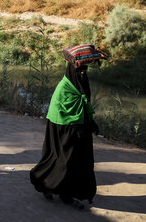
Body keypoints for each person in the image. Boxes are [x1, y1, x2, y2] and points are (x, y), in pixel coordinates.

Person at [29, 62, 100, 210]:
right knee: (62, 161)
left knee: (76, 163)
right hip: (62, 128)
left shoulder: (77, 85)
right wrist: (80, 126)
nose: (82, 73)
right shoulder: (64, 88)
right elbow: (64, 111)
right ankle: (47, 185)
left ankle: (67, 194)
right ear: (72, 70)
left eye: (85, 70)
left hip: (77, 129)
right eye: (80, 70)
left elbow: (84, 104)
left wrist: (90, 123)